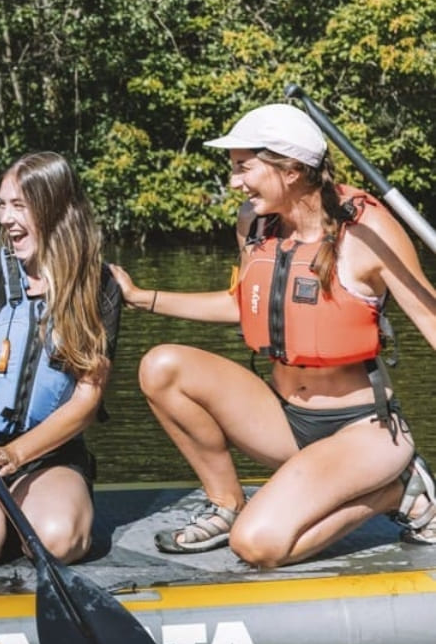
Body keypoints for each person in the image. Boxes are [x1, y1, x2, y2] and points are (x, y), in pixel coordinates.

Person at [109, 102, 436, 567]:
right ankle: (226, 503)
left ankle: (397, 489)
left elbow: (428, 317)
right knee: (162, 367)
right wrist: (143, 298)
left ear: (292, 170)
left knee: (257, 545)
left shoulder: (367, 232)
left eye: (244, 167)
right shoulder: (255, 223)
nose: (234, 182)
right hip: (283, 420)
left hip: (364, 430)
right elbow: (245, 306)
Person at [0, 151, 121, 569]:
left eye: (19, 206)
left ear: (57, 209)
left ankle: (21, 512)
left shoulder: (99, 286)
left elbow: (86, 401)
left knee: (60, 543)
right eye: (2, 205)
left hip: (49, 454)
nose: (6, 219)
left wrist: (15, 454)